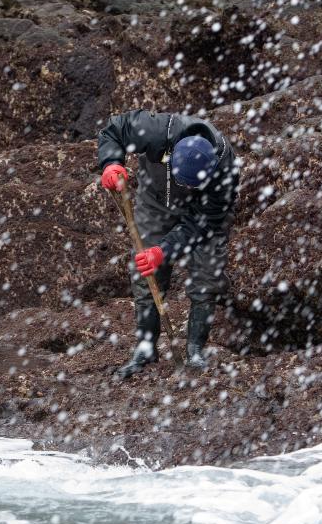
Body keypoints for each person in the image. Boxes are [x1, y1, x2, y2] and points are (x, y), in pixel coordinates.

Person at [97, 109, 239, 378]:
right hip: (156, 199)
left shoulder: (225, 171)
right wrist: (111, 163)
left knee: (207, 277)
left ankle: (195, 350)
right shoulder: (154, 131)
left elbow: (203, 224)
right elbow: (112, 130)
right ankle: (146, 347)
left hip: (205, 214)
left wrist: (164, 251)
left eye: (192, 185)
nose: (187, 188)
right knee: (145, 273)